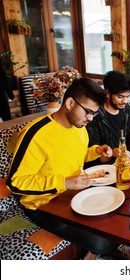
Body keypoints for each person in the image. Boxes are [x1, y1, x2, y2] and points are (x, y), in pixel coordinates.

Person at [6, 77, 118, 259]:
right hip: (43, 205)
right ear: (70, 103)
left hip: (73, 194)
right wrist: (64, 182)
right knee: (103, 242)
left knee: (120, 218)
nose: (90, 118)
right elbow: (15, 183)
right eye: (88, 112)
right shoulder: (36, 134)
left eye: (94, 114)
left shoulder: (79, 127)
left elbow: (75, 155)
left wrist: (97, 152)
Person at [86, 71, 130, 166]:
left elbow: (128, 137)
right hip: (104, 169)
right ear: (108, 93)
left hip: (125, 163)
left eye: (127, 96)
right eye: (120, 97)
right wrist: (114, 153)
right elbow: (94, 157)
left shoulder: (126, 109)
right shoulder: (94, 116)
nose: (125, 101)